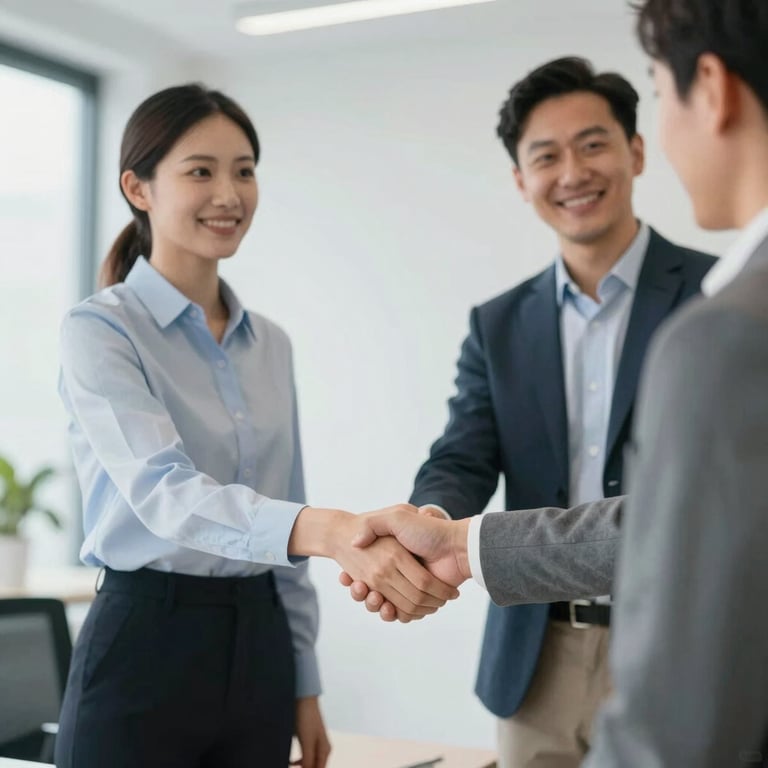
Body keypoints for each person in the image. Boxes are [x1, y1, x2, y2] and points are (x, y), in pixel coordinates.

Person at [351, 0, 768, 762]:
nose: (572, 173)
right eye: (546, 156)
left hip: (668, 633)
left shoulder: (723, 301)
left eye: (592, 145)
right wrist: (431, 523)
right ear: (520, 180)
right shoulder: (498, 323)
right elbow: (464, 453)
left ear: (637, 152)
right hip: (534, 654)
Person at [54, 83, 458, 768]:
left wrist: (303, 680)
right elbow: (165, 494)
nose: (229, 193)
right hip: (145, 641)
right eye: (200, 171)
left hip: (261, 648)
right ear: (139, 187)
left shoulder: (269, 342)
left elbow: (281, 522)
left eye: (244, 170)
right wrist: (330, 531)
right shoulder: (100, 329)